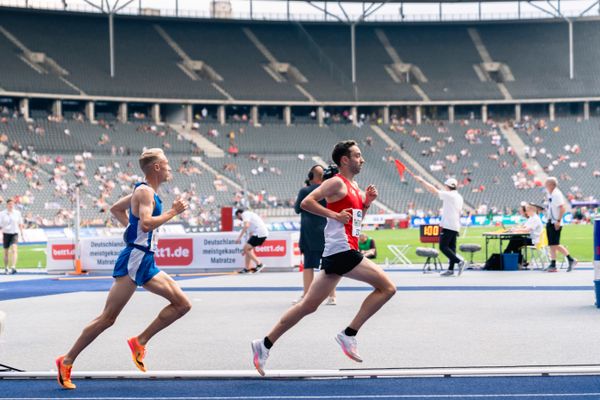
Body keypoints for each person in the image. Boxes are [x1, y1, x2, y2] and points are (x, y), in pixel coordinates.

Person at [251, 140, 396, 376]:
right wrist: (333, 215)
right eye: (358, 156)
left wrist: (367, 204)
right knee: (388, 288)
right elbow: (306, 203)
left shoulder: (353, 185)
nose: (363, 159)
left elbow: (355, 222)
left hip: (338, 251)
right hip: (342, 250)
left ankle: (264, 344)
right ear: (345, 160)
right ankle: (348, 334)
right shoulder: (335, 182)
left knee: (307, 305)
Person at [55, 149, 191, 390]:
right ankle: (66, 360)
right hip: (135, 259)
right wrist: (172, 212)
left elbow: (116, 209)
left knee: (182, 305)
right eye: (167, 164)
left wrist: (132, 228)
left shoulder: (142, 192)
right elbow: (147, 224)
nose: (171, 168)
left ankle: (140, 341)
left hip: (146, 260)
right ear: (156, 167)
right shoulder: (144, 192)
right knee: (107, 318)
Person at [293, 165, 336, 305]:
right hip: (326, 230)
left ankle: (307, 295)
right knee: (329, 266)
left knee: (308, 265)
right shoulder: (328, 190)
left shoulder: (305, 190)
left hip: (309, 232)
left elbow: (297, 209)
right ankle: (332, 297)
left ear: (311, 176)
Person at [413, 176, 465, 277]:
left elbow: (434, 190)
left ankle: (459, 261)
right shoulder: (458, 196)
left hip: (449, 225)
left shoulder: (450, 195)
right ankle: (450, 270)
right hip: (455, 225)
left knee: (443, 246)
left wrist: (422, 181)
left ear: (447, 186)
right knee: (451, 248)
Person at [544, 177, 577, 272]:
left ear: (551, 185)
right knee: (551, 244)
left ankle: (571, 259)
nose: (545, 186)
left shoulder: (556, 194)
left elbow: (562, 208)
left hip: (555, 221)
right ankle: (553, 264)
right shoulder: (551, 194)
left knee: (555, 243)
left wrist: (558, 220)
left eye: (546, 184)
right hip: (550, 220)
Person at [235, 209, 268, 274]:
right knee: (248, 249)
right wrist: (245, 249)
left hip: (260, 233)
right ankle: (247, 269)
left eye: (238, 217)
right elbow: (250, 234)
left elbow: (246, 226)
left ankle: (259, 264)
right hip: (261, 233)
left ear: (239, 214)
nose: (239, 219)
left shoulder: (245, 214)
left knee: (247, 249)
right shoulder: (250, 219)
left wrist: (239, 238)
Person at [0, 199, 24, 275]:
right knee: (6, 252)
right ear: (7, 205)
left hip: (14, 233)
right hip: (6, 233)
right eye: (9, 204)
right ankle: (6, 267)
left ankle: (13, 267)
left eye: (12, 204)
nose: (11, 205)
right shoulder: (2, 213)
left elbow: (20, 223)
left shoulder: (17, 213)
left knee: (14, 249)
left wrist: (22, 233)